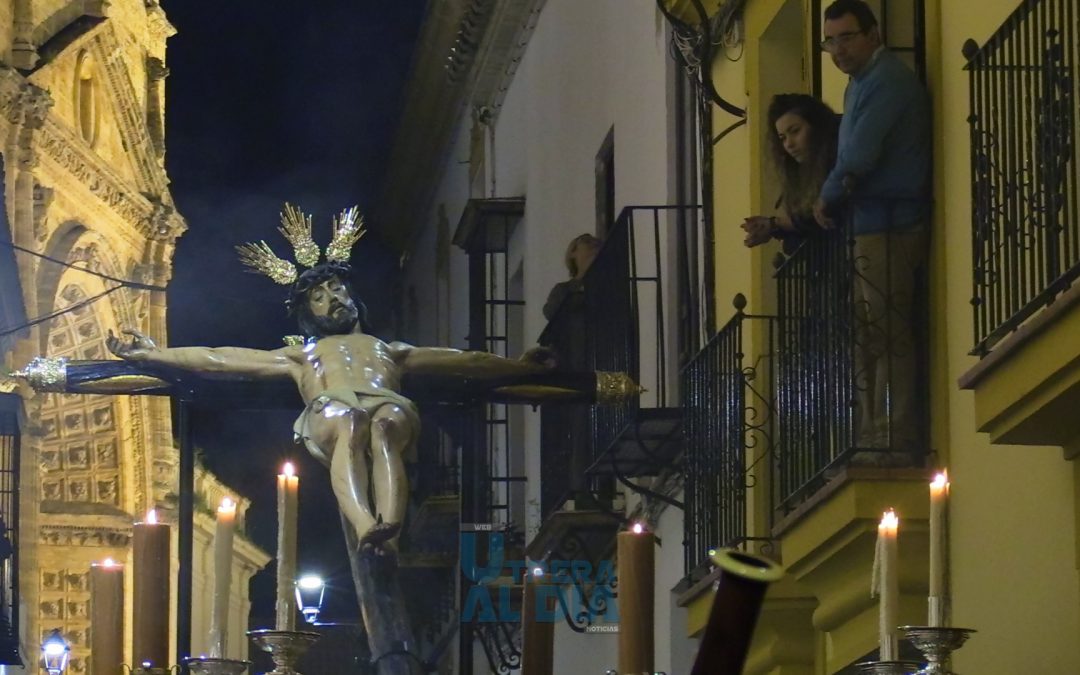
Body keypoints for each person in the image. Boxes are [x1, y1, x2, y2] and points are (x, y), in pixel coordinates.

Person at [107, 211, 553, 555]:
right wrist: (154, 354)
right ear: (309, 314)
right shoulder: (304, 354)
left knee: (382, 424)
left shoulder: (388, 349)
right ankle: (365, 524)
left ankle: (389, 527)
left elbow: (466, 360)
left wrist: (520, 367)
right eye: (319, 297)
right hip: (333, 411)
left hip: (386, 403)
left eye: (337, 289)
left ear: (352, 296)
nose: (332, 298)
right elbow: (220, 358)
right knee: (355, 422)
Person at [814, 0, 931, 452]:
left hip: (891, 224)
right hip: (873, 223)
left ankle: (894, 431)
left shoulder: (886, 82)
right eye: (831, 40)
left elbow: (859, 156)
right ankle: (872, 429)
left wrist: (825, 196)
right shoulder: (861, 84)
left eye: (847, 37)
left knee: (886, 331)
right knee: (870, 335)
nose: (838, 49)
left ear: (873, 35)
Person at [742, 94, 839, 251]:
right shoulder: (806, 172)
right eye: (782, 138)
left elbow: (818, 217)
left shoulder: (839, 157)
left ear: (817, 125)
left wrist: (775, 224)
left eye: (795, 131)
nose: (789, 144)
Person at [542, 233, 602, 321]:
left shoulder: (608, 284)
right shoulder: (562, 290)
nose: (593, 244)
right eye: (586, 241)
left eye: (597, 244)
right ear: (572, 253)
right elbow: (551, 313)